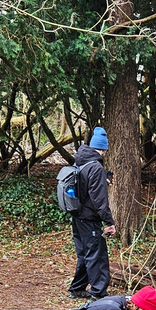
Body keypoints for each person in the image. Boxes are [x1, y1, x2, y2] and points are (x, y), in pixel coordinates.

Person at [68, 126, 115, 300]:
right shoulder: (95, 167)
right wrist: (109, 222)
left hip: (77, 217)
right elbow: (99, 200)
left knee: (84, 254)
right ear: (103, 148)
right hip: (89, 219)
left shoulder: (80, 162)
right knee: (97, 255)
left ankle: (77, 288)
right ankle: (98, 292)